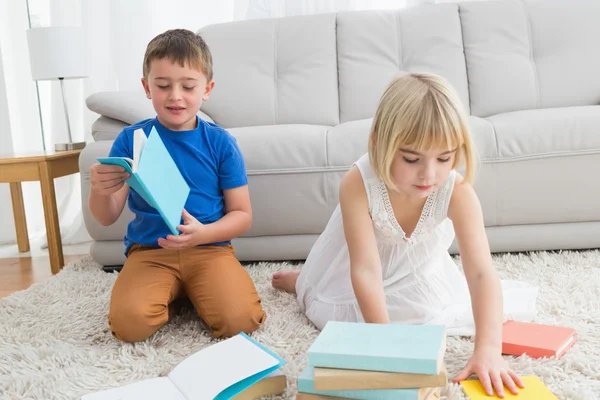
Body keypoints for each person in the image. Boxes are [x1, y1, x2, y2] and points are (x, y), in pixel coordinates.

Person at [272, 73, 537, 398]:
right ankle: (303, 281)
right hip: (358, 265)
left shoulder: (457, 193)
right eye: (411, 159)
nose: (429, 174)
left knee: (425, 317)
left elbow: (482, 273)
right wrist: (385, 347)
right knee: (330, 310)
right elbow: (365, 270)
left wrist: (488, 349)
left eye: (444, 157)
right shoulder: (357, 184)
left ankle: (306, 281)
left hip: (416, 270)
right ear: (379, 143)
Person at [88, 29, 266, 343]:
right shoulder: (131, 140)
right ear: (146, 87)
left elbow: (242, 214)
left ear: (207, 89)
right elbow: (106, 216)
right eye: (163, 85)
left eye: (187, 86)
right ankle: (174, 294)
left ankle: (195, 291)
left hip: (210, 249)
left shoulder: (220, 142)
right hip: (150, 252)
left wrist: (205, 233)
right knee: (129, 326)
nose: (175, 96)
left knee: (242, 321)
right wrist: (98, 190)